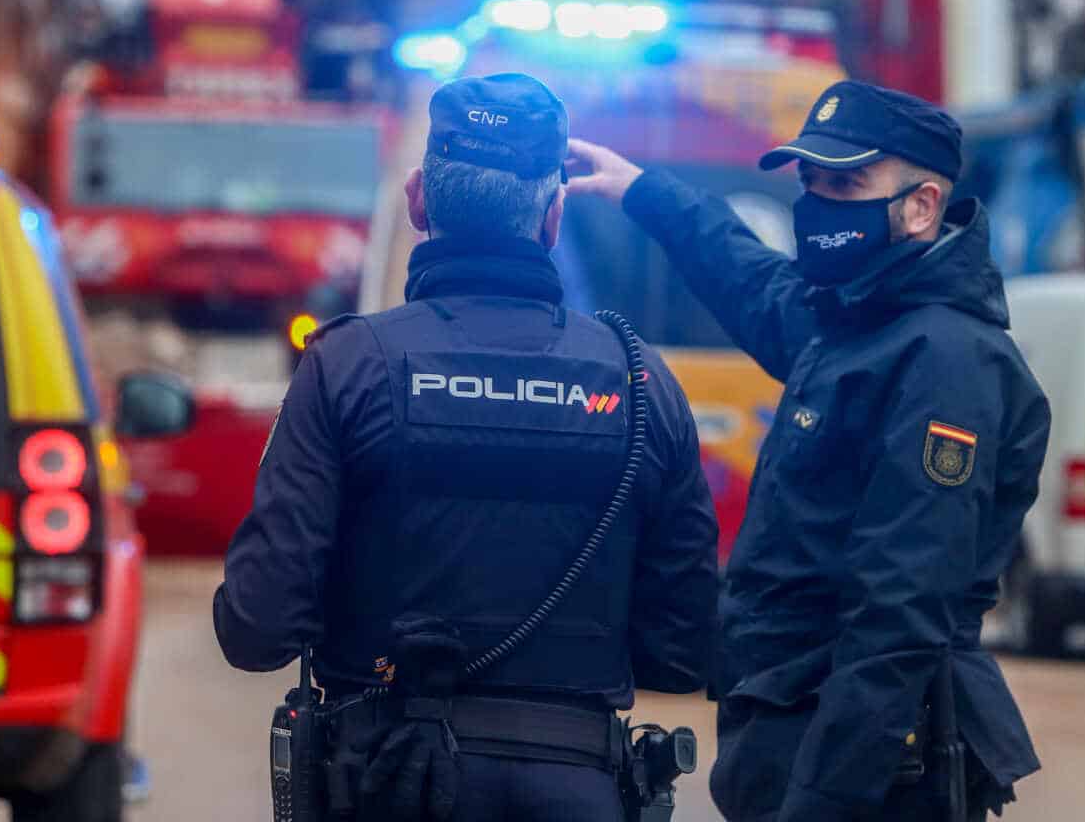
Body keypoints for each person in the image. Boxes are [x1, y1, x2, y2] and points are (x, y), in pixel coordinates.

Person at [213, 73, 718, 821]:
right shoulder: (638, 380)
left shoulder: (349, 365)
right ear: (552, 217)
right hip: (578, 787)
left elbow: (257, 628)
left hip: (388, 782)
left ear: (419, 201)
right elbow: (684, 647)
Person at [568, 79, 1052, 821]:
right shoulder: (853, 323)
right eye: (813, 182)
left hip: (866, 769)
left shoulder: (943, 363)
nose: (821, 203)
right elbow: (752, 281)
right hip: (788, 735)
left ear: (921, 206)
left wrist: (821, 801)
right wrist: (645, 193)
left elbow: (900, 613)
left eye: (848, 182)